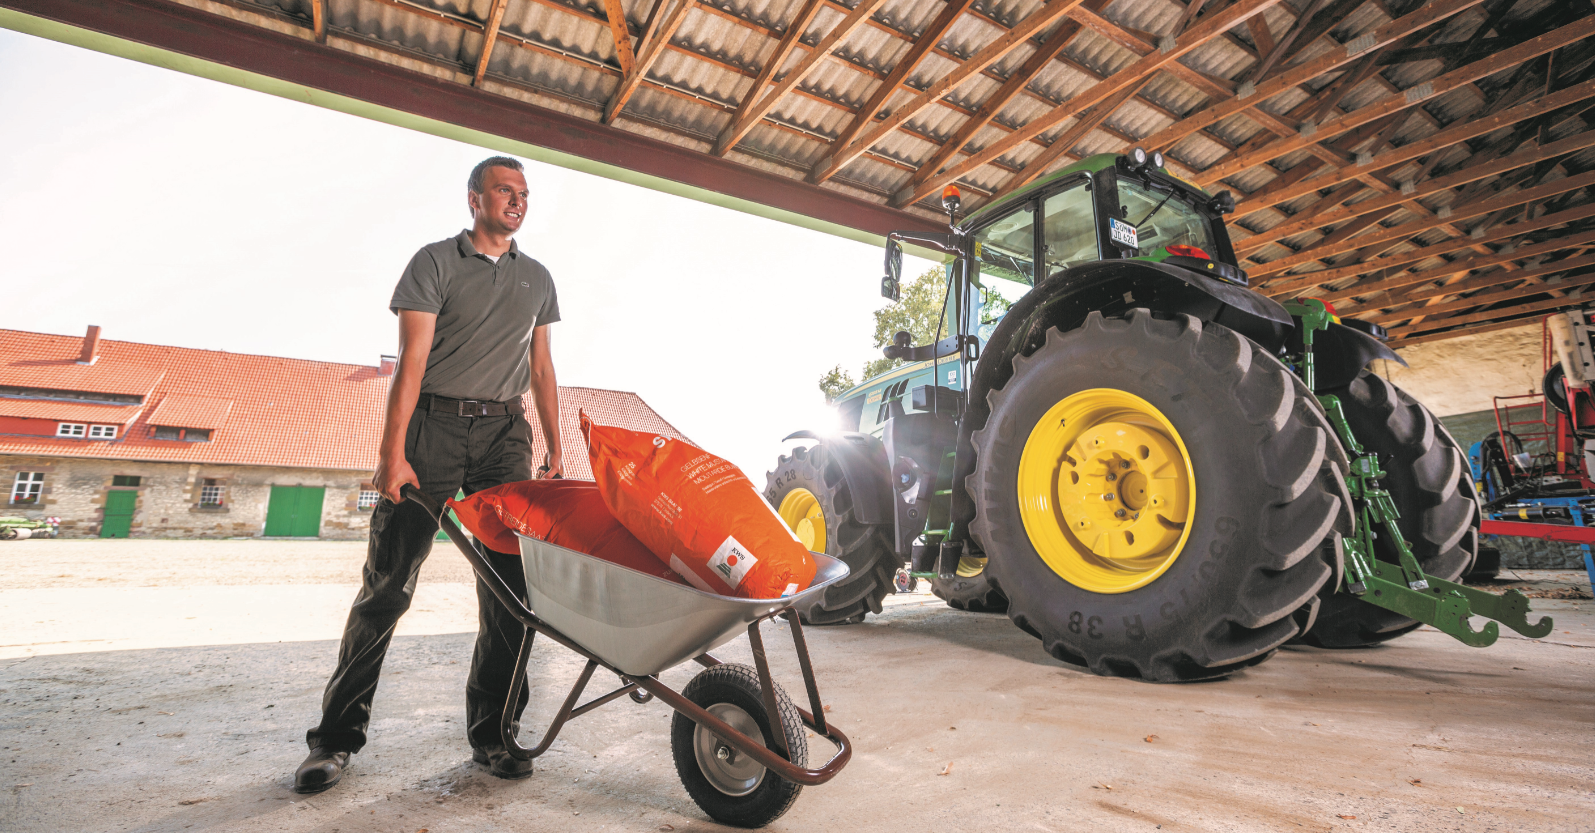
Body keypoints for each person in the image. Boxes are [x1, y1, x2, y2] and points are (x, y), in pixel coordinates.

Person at [294, 156, 563, 793]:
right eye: (505, 190)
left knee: (512, 592)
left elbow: (544, 369)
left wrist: (553, 447)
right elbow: (410, 364)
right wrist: (393, 454)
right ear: (475, 199)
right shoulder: (435, 261)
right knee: (388, 584)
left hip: (505, 436)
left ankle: (494, 735)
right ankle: (333, 741)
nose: (517, 201)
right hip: (433, 430)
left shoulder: (540, 278)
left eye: (524, 193)